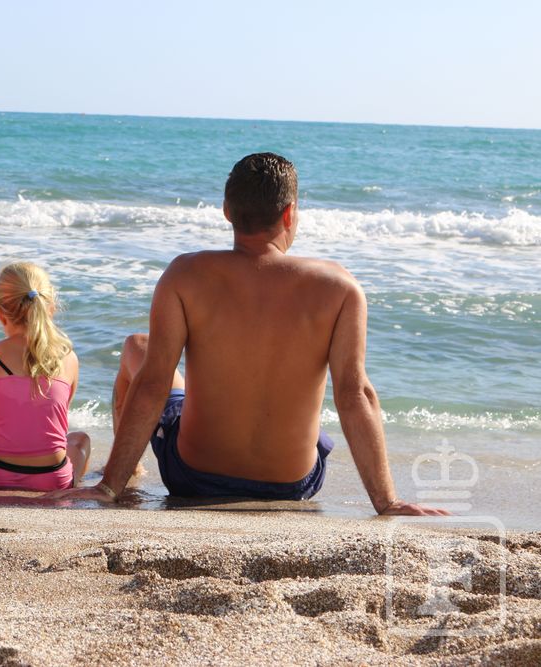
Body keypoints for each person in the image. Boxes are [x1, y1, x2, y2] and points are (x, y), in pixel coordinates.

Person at [51, 153, 446, 516]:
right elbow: (354, 394)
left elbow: (153, 384)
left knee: (137, 348)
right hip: (292, 485)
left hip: (192, 476)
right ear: (289, 213)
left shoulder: (184, 275)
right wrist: (387, 501)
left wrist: (108, 487)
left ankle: (125, 473)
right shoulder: (340, 288)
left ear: (227, 211)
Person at [0, 262, 91, 490]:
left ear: (0, 313)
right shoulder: (68, 357)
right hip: (52, 481)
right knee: (80, 439)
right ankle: (75, 486)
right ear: (51, 308)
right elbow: (59, 420)